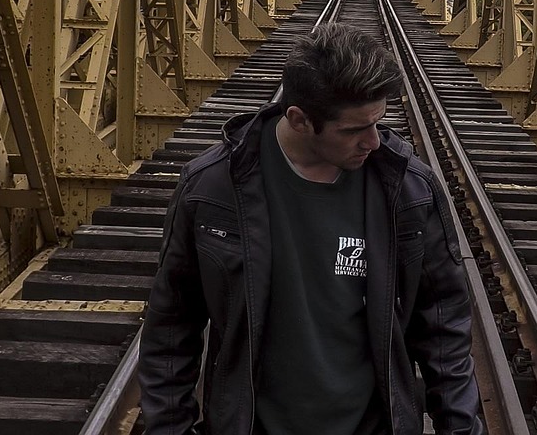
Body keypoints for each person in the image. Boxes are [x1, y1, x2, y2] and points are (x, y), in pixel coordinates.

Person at [139, 23, 484, 435]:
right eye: (354, 130)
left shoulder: (409, 190)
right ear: (299, 120)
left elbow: (444, 331)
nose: (373, 142)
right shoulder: (213, 187)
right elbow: (171, 328)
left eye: (377, 122)